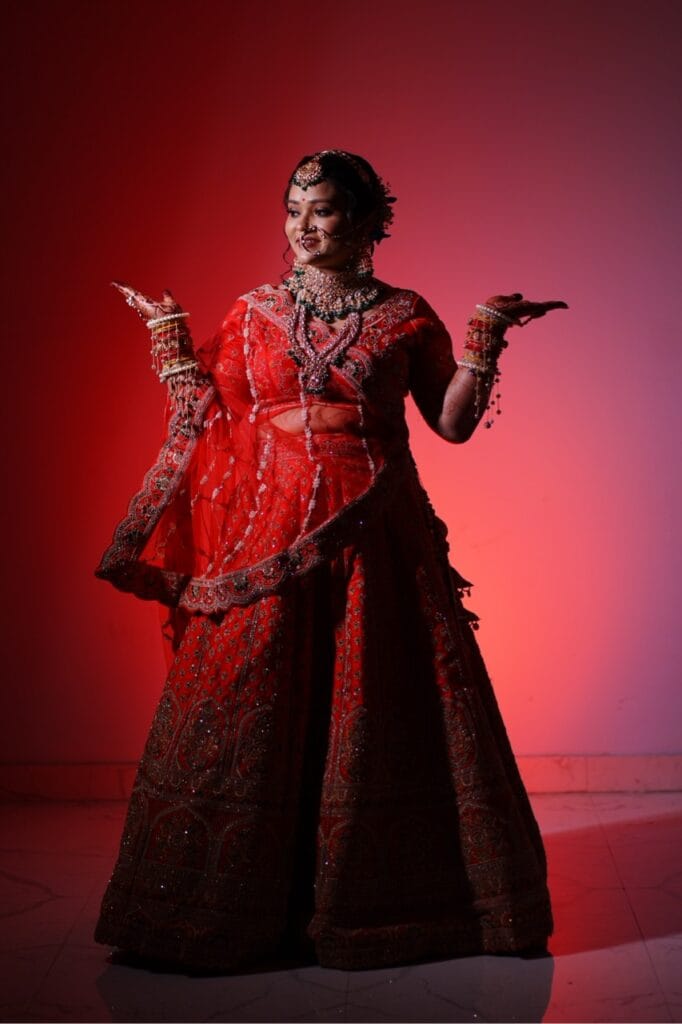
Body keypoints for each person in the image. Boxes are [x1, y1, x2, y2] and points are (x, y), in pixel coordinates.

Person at [94, 149, 567, 973]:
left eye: (324, 211)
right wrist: (171, 340)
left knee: (379, 700)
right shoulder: (253, 312)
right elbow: (209, 417)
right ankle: (225, 907)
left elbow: (449, 425)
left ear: (367, 221)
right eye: (292, 210)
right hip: (273, 530)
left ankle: (391, 905)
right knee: (251, 697)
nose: (303, 227)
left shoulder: (405, 313)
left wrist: (486, 330)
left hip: (378, 528)